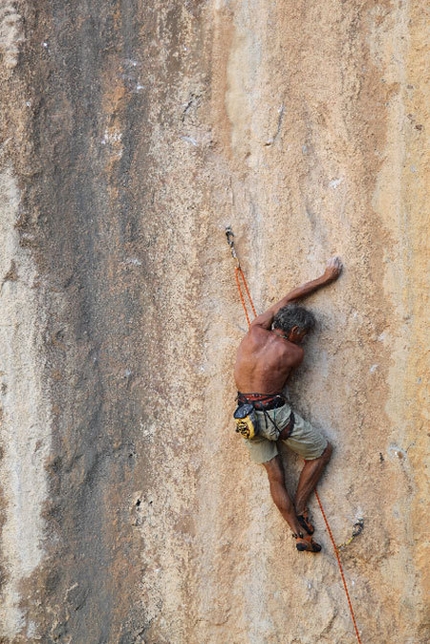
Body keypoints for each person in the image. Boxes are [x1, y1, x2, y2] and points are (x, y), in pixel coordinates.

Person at [234, 257, 343, 553]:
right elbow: (285, 356)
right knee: (321, 451)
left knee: (275, 475)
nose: (304, 340)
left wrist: (324, 277)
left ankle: (298, 533)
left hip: (245, 416)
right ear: (295, 332)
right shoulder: (294, 352)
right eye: (303, 335)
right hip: (273, 414)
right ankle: (301, 507)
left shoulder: (255, 329)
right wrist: (331, 277)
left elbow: (288, 298)